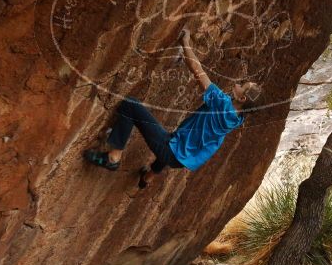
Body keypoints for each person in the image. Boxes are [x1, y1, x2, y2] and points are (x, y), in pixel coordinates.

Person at [84, 29, 264, 188]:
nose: (239, 84)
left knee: (131, 105)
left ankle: (113, 158)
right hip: (182, 158)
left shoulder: (221, 104)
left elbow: (196, 69)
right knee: (170, 148)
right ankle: (147, 178)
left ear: (242, 98)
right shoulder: (237, 118)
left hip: (172, 151)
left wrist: (185, 42)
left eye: (243, 86)